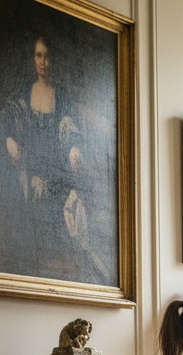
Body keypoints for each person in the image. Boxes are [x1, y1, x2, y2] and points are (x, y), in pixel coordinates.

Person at [1, 34, 110, 282]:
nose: (43, 62)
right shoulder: (25, 93)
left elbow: (71, 128)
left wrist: (74, 148)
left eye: (47, 56)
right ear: (33, 59)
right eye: (39, 56)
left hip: (57, 168)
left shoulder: (61, 96)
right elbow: (6, 118)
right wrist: (8, 139)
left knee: (72, 204)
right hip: (30, 166)